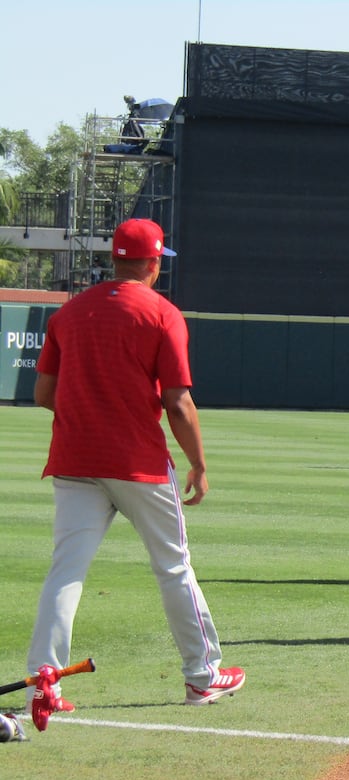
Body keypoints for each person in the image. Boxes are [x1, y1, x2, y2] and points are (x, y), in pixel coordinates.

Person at [27, 218, 245, 708]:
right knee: (173, 567)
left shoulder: (69, 313)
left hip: (74, 457)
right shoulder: (162, 314)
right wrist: (199, 464)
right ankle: (201, 675)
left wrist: (92, 407)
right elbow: (178, 404)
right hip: (138, 463)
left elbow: (44, 393)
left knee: (66, 571)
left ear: (114, 259)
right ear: (152, 264)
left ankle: (44, 680)